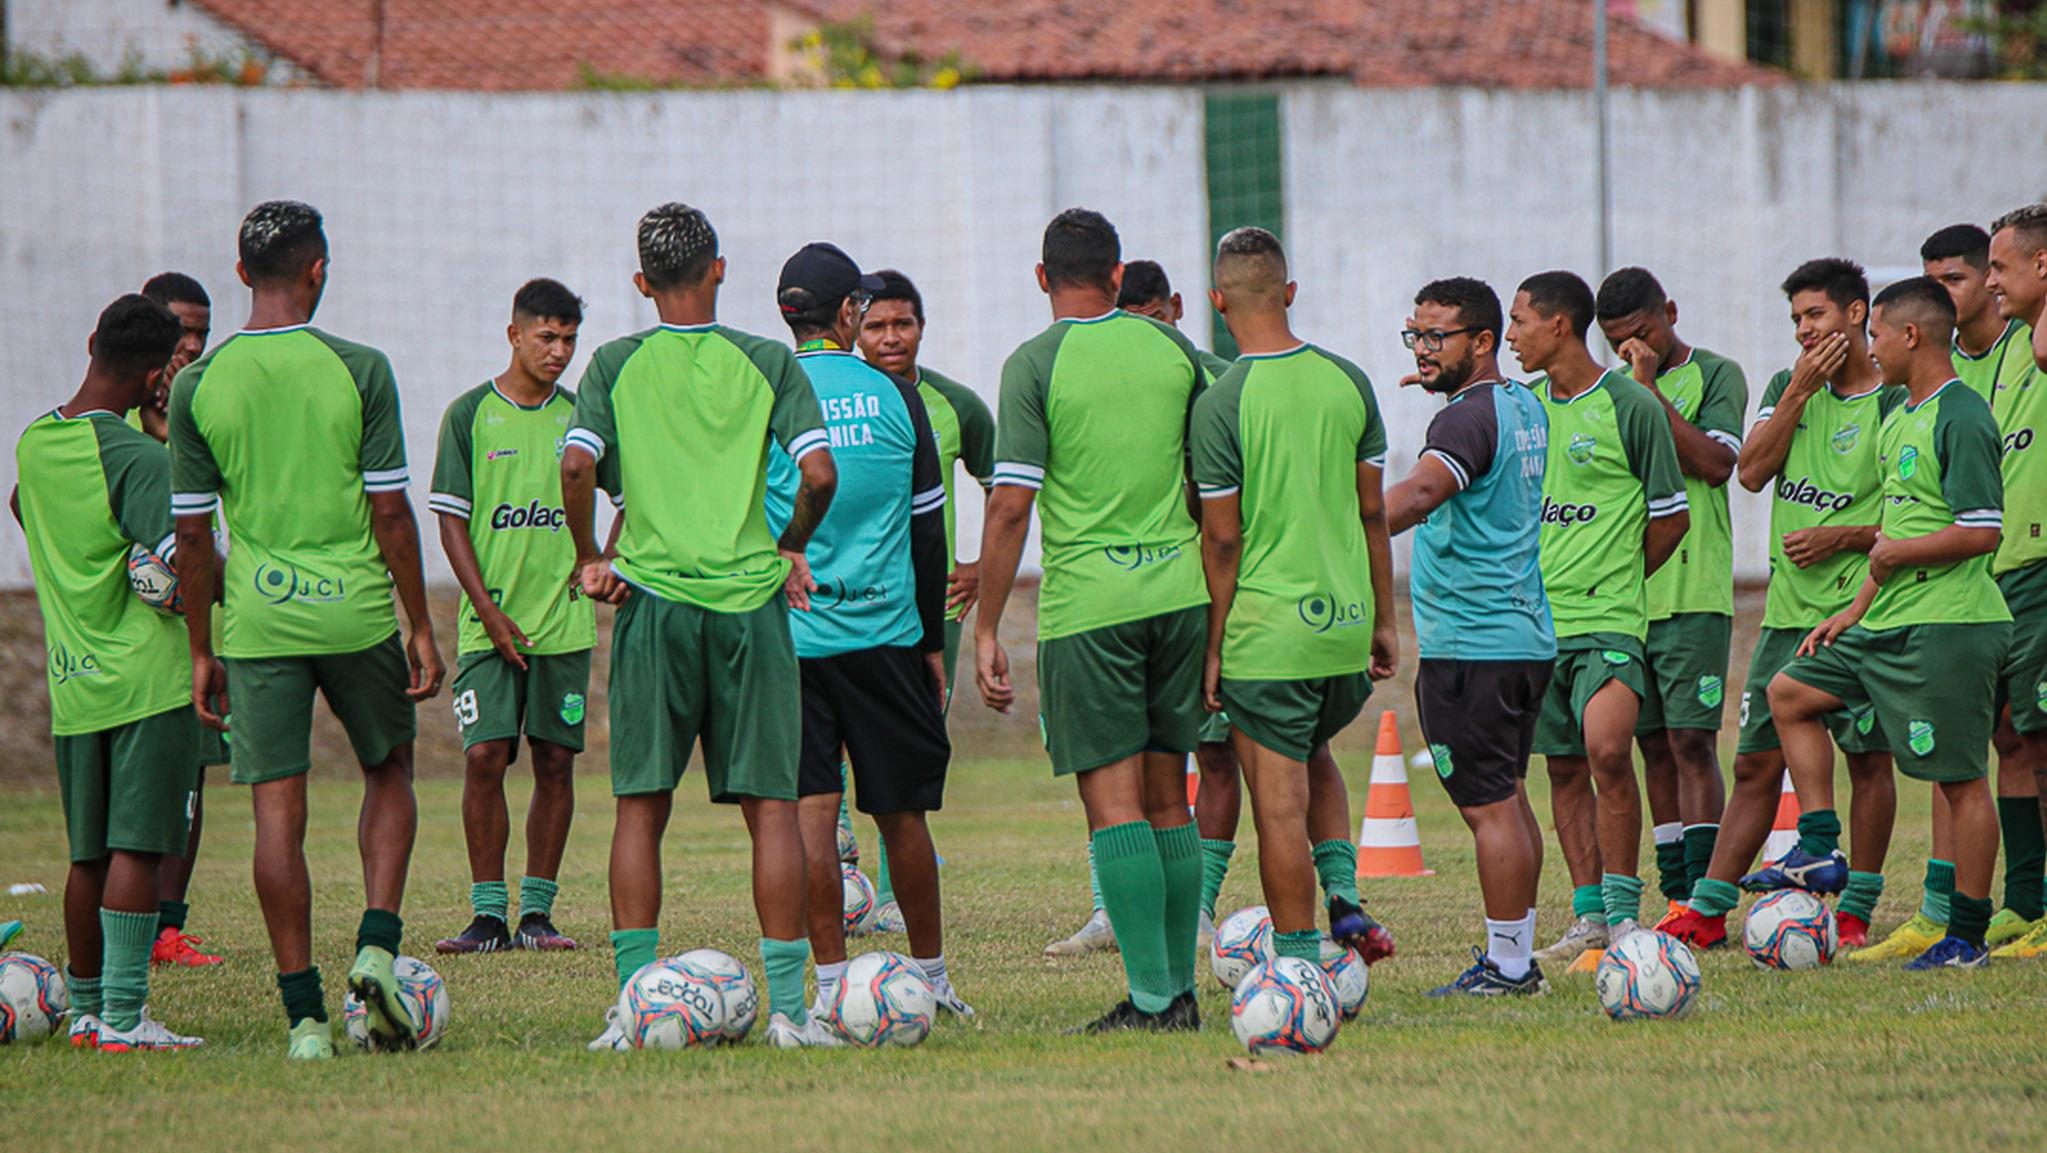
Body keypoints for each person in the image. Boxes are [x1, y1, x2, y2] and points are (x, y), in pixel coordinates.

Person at [563, 204, 842, 1049]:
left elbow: (576, 462)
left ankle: (631, 1009)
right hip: (750, 608)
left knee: (640, 811)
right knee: (773, 808)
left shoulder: (612, 362)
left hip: (652, 603)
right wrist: (788, 546)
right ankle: (791, 1014)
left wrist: (588, 556)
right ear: (720, 268)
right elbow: (820, 473)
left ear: (642, 283)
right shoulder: (766, 361)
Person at [169, 201, 443, 1060]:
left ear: (242, 273)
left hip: (256, 620)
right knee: (388, 767)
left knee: (275, 813)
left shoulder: (196, 383)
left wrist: (201, 647)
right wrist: (421, 623)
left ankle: (305, 1022)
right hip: (355, 611)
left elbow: (190, 535)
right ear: (318, 270)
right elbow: (392, 510)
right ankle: (375, 944)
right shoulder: (359, 366)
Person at [975, 208, 1211, 1033]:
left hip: (1092, 607)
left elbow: (1010, 505)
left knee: (1113, 807)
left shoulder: (1034, 362)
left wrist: (983, 625)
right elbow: (1218, 474)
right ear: (1118, 277)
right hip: (1181, 597)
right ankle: (1176, 988)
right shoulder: (1177, 350)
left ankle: (1154, 999)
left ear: (1042, 278)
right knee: (1168, 799)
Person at [1766, 276, 2010, 970]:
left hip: (1949, 626)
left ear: (1910, 336)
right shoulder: (1899, 414)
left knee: (1960, 781)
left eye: (1874, 334)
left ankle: (1964, 935)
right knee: (1790, 692)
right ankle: (1817, 846)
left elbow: (1980, 530)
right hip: (1885, 620)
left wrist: (1896, 551)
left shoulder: (1959, 414)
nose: (1867, 346)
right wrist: (1850, 609)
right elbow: (1897, 530)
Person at [1663, 259, 1899, 950]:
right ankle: (1707, 910)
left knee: (1867, 761)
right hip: (1786, 612)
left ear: (1855, 315)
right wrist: (1798, 389)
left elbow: (1913, 517)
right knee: (1752, 762)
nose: (1803, 330)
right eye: (1795, 319)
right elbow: (1751, 469)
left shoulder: (1891, 399)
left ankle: (1855, 908)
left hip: (1863, 608)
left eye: (1815, 315)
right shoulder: (1784, 386)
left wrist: (1845, 534)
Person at [767, 243, 965, 1022]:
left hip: (795, 638)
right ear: (847, 313)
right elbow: (928, 533)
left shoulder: (769, 392)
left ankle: (825, 990)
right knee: (901, 816)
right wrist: (930, 644)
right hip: (885, 635)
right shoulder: (895, 397)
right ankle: (934, 978)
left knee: (811, 815)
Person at [1192, 227, 1395, 985]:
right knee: (1313, 749)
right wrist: (1383, 617)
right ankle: (1342, 897)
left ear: (1217, 302)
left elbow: (1222, 540)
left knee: (1275, 806)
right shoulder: (1349, 380)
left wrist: (1211, 647)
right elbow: (1372, 512)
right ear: (1290, 291)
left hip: (1266, 634)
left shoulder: (1222, 402)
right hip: (1343, 630)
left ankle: (1300, 971)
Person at [14, 294, 203, 1050]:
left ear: (92, 341)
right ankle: (125, 1017)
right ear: (159, 378)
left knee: (87, 852)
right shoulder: (139, 457)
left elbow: (24, 507)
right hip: (144, 678)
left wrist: (85, 561)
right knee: (139, 847)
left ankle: (87, 1010)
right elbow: (183, 567)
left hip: (72, 676)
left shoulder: (35, 440)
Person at [1509, 271, 1689, 972]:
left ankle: (1622, 916)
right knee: (1559, 765)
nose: (1513, 334)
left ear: (1558, 325)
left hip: (1609, 617)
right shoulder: (1519, 408)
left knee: (1608, 751)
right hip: (1535, 624)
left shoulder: (1628, 405)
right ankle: (1587, 914)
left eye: (1521, 320)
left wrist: (1615, 576)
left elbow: (1670, 517)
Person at [1385, 277, 1556, 994]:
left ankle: (1510, 967)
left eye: (1438, 338)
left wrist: (1333, 520)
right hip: (1520, 638)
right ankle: (1514, 956)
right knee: (1509, 798)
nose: (1423, 350)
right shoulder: (1518, 402)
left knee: (1489, 807)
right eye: (1414, 337)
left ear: (1482, 342)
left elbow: (1422, 493)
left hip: (1472, 644)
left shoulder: (1463, 421)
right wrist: (1442, 386)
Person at [428, 278, 593, 955]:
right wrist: (488, 610)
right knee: (485, 757)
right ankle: (488, 915)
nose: (557, 350)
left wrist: (599, 560)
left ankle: (537, 915)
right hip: (489, 625)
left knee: (555, 762)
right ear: (514, 334)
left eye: (568, 339)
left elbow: (628, 493)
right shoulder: (469, 414)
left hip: (563, 623)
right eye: (546, 336)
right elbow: (450, 520)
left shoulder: (581, 415)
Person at [1593, 269, 1746, 924]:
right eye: (1617, 342)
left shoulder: (1716, 374)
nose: (1632, 351)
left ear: (1670, 314)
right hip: (1627, 597)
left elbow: (1713, 464)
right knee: (1647, 743)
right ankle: (1674, 889)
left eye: (1642, 334)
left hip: (1692, 591)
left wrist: (1648, 389)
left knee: (1690, 741)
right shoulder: (1603, 393)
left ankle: (1704, 896)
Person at [853, 267, 994, 935]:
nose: (889, 337)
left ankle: (886, 890)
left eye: (901, 323)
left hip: (926, 610)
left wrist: (982, 568)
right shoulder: (827, 399)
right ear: (852, 325)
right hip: (841, 601)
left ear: (921, 328)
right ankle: (840, 850)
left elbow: (1010, 491)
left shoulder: (955, 405)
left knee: (905, 750)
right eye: (875, 324)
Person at [1926, 221, 2047, 953]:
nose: (1993, 282)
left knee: (2039, 737)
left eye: (1997, 268)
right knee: (2008, 734)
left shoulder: (2027, 343)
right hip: (1992, 576)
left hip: (2037, 565)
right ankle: (2024, 896)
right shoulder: (1973, 367)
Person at [134, 271, 224, 969]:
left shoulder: (204, 416)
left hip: (194, 635)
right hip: (123, 644)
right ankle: (129, 926)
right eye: (177, 330)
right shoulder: (114, 413)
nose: (189, 345)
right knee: (129, 787)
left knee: (189, 782)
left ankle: (168, 926)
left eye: (200, 330)